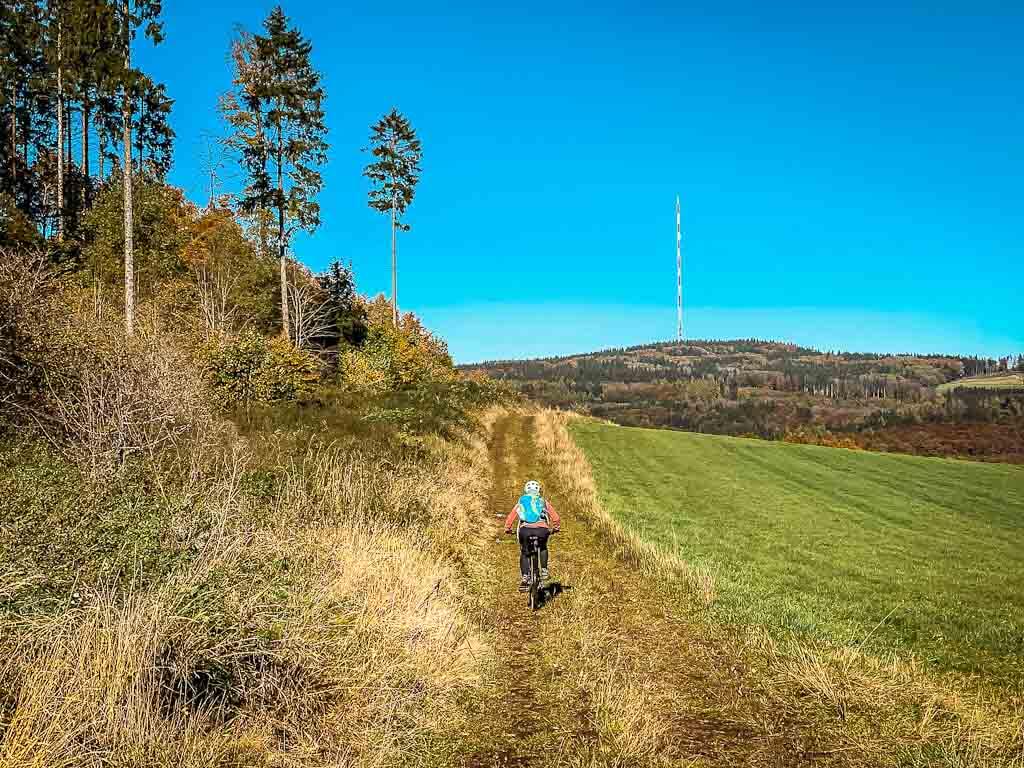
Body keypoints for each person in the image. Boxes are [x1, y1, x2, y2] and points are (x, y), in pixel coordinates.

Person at [504, 479, 561, 591]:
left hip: (525, 530)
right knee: (543, 546)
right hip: (542, 530)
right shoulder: (543, 501)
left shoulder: (521, 501)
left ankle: (525, 577)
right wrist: (556, 528)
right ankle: (544, 571)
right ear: (539, 490)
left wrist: (508, 529)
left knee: (524, 552)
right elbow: (556, 518)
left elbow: (511, 517)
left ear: (526, 490)